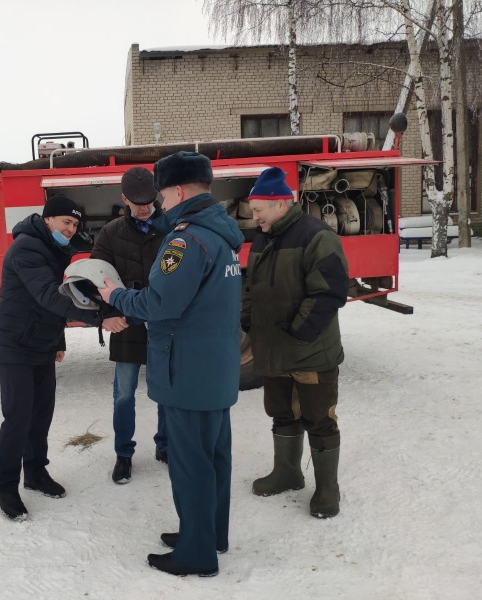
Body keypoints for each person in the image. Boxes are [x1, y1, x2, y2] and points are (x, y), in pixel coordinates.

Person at [98, 152, 244, 577]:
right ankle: (209, 534)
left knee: (190, 463)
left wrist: (115, 296)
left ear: (177, 191)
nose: (159, 203)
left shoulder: (186, 241)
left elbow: (160, 302)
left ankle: (196, 554)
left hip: (187, 370)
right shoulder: (217, 232)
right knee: (214, 457)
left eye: (162, 194)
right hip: (214, 368)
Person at [0, 193, 125, 521]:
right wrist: (99, 319)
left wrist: (58, 339)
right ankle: (5, 487)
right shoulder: (26, 248)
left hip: (40, 344)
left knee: (41, 416)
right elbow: (48, 295)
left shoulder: (53, 249)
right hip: (15, 346)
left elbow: (58, 296)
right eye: (66, 222)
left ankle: (35, 473)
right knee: (18, 418)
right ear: (47, 218)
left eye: (75, 224)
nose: (70, 229)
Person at [241, 166, 348, 519]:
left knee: (319, 419)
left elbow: (330, 292)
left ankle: (327, 489)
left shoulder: (317, 237)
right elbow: (249, 286)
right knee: (282, 414)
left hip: (310, 352)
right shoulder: (263, 239)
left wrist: (299, 331)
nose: (254, 216)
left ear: (280, 204)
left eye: (258, 210)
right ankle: (288, 473)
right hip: (273, 352)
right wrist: (247, 318)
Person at [90, 166, 168, 485]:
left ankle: (166, 446)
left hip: (164, 321)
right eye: (137, 201)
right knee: (124, 393)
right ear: (124, 199)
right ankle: (124, 455)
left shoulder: (172, 227)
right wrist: (106, 314)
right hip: (125, 321)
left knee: (166, 391)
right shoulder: (110, 232)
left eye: (149, 199)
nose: (144, 206)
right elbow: (96, 277)